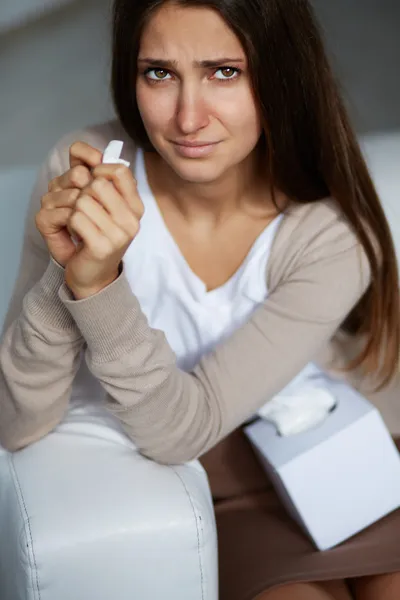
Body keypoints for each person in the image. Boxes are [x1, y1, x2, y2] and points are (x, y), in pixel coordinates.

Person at [1, 0, 400, 598]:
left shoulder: (331, 235)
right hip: (228, 492)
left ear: (281, 75)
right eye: (159, 73)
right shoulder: (84, 169)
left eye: (225, 72)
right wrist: (78, 276)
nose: (189, 118)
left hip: (352, 462)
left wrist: (101, 286)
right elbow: (15, 420)